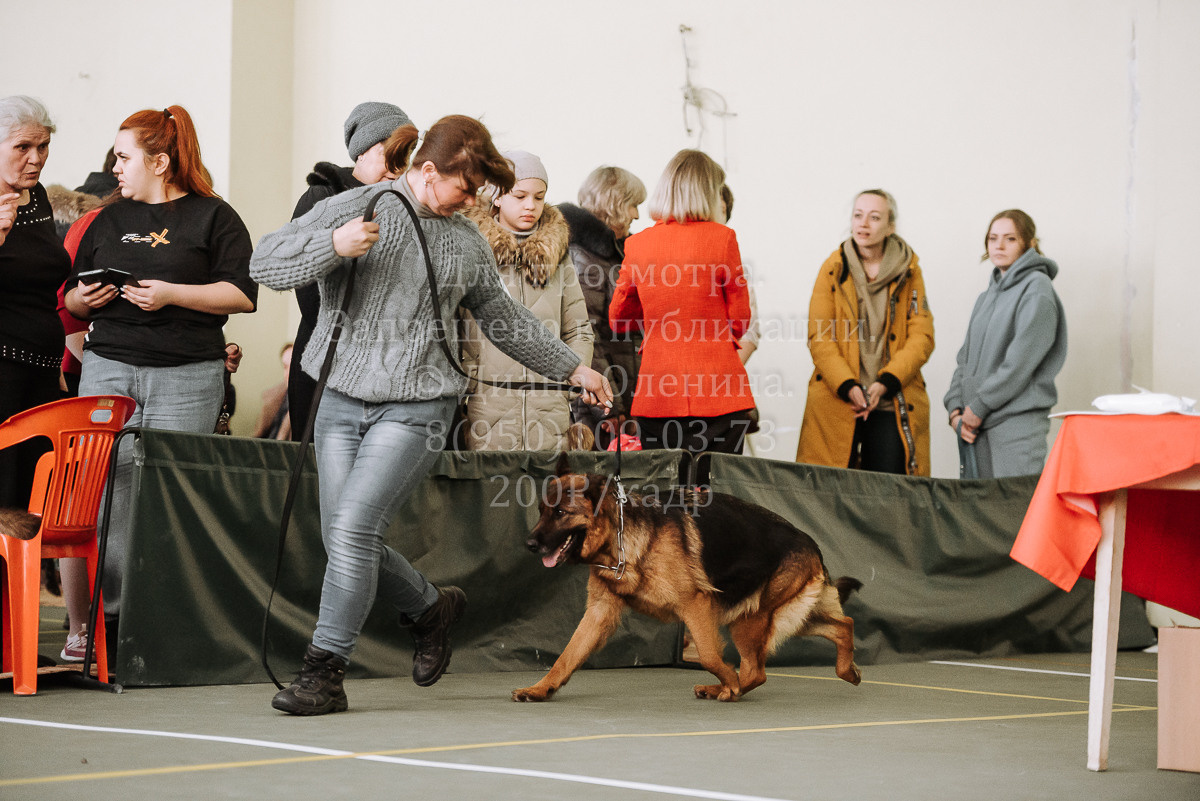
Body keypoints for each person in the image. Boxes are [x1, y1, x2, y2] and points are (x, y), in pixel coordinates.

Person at [249, 114, 612, 716]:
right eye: (464, 188)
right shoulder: (358, 207)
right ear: (427, 170)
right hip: (339, 399)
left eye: (478, 193)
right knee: (343, 536)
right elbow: (264, 263)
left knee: (353, 530)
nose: (472, 202)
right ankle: (429, 608)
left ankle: (323, 672)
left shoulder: (465, 241)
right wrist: (332, 246)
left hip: (418, 404)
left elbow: (504, 320)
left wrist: (574, 368)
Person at [63, 105, 257, 659]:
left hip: (188, 374)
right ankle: (109, 623)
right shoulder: (106, 220)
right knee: (108, 490)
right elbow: (71, 299)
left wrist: (172, 294)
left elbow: (242, 295)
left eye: (124, 158)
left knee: (172, 493)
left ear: (160, 162)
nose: (115, 167)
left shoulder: (215, 217)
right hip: (109, 366)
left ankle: (165, 624)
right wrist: (85, 298)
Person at [609, 149, 754, 478]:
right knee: (717, 497)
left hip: (658, 393)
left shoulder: (638, 245)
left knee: (664, 498)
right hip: (720, 394)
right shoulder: (724, 238)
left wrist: (657, 320)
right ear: (709, 192)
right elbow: (741, 319)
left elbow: (618, 318)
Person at [288, 101, 412, 440]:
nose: (398, 167)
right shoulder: (323, 196)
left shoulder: (408, 207)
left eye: (405, 156)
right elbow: (304, 278)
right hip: (325, 358)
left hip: (387, 367)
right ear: (361, 152)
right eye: (389, 154)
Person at [796, 189, 935, 476]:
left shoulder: (909, 270)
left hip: (891, 397)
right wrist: (848, 385)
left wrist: (887, 382)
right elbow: (820, 336)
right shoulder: (833, 269)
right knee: (828, 491)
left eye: (874, 217)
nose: (863, 224)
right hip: (838, 395)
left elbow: (922, 336)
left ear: (890, 226)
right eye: (858, 215)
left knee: (889, 492)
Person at [461, 150, 592, 450]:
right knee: (491, 480)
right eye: (519, 196)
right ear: (496, 197)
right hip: (487, 408)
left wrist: (570, 381)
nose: (530, 205)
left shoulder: (559, 258)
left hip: (550, 409)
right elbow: (454, 327)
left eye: (539, 197)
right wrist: (470, 382)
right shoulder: (471, 253)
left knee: (550, 480)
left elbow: (579, 329)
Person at [944, 210, 1066, 477]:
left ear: (1029, 244)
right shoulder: (986, 297)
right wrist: (955, 409)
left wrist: (978, 407)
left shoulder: (1037, 289)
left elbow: (1020, 363)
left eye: (1010, 238)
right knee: (978, 505)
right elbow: (964, 360)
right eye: (993, 238)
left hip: (1016, 426)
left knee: (1015, 504)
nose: (999, 245)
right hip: (975, 426)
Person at [0, 96, 69, 511]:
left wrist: (54, 363)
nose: (36, 158)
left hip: (42, 372)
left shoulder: (37, 196)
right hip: (3, 370)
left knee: (36, 499)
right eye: (22, 147)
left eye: (43, 146)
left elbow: (42, 289)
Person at [558, 166, 646, 448]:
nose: (637, 215)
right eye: (633, 205)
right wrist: (610, 406)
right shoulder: (586, 258)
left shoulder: (616, 253)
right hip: (597, 407)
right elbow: (586, 337)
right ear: (614, 204)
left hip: (619, 398)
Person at [252, 342, 294, 440]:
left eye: (293, 367)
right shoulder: (274, 398)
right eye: (285, 367)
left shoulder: (306, 403)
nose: (288, 373)